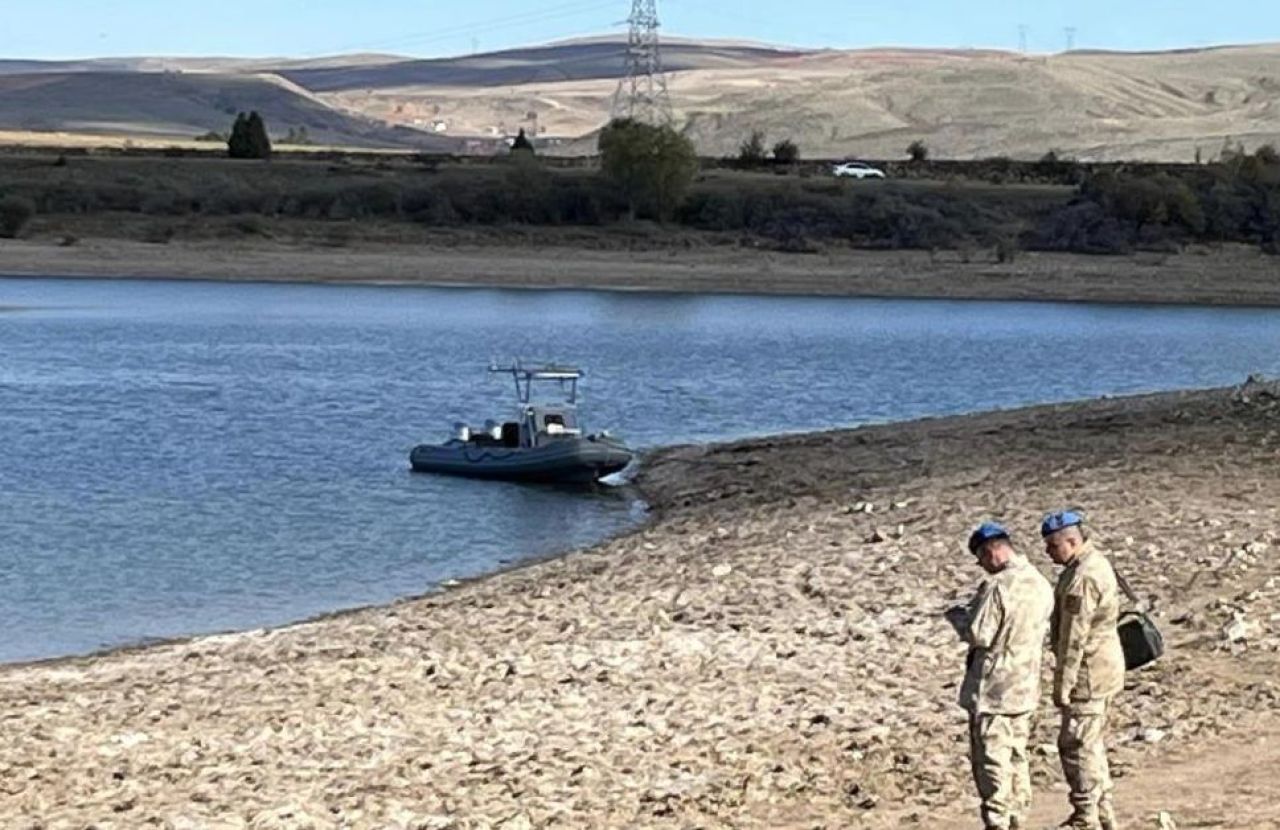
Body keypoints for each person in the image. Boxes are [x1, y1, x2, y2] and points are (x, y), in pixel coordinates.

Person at [953, 521, 1054, 830]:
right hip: (1025, 685)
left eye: (981, 557)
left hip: (994, 688)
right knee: (1017, 756)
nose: (982, 565)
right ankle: (1018, 816)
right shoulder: (1039, 581)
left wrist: (960, 619)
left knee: (992, 761)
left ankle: (998, 821)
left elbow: (980, 634)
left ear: (993, 551)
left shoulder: (998, 586)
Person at [1041, 510, 1126, 830]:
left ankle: (1086, 814)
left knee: (1077, 744)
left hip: (1089, 672)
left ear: (1072, 541)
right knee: (1090, 742)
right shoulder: (1092, 564)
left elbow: (1073, 638)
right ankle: (1103, 813)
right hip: (1103, 666)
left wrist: (1063, 684)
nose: (1049, 553)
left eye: (1053, 546)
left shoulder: (1082, 577)